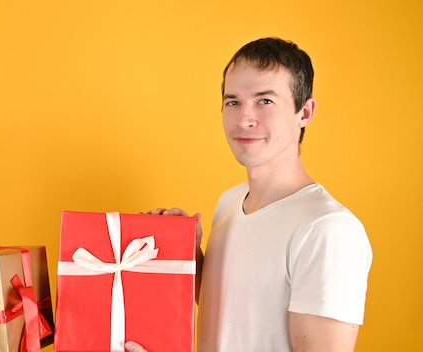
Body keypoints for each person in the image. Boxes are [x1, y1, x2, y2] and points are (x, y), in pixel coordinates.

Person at [126, 38, 373, 352]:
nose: (244, 119)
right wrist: (188, 255)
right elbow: (235, 315)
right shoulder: (229, 202)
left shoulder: (327, 229)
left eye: (264, 101)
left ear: (305, 112)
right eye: (233, 102)